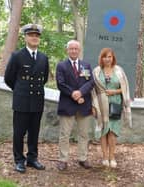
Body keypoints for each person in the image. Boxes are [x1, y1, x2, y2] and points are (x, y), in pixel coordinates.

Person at [4, 23, 49, 173]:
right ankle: (19, 160)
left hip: (37, 100)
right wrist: (20, 91)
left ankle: (32, 158)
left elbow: (44, 79)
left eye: (37, 36)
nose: (34, 38)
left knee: (34, 132)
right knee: (19, 132)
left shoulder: (43, 57)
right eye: (31, 35)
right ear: (25, 38)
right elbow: (9, 78)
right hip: (22, 101)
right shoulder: (17, 56)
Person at [55, 40, 94, 171]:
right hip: (67, 104)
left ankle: (83, 158)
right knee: (64, 134)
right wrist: (73, 93)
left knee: (84, 134)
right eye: (71, 48)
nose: (74, 51)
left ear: (79, 50)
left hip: (84, 105)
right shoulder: (61, 66)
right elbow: (60, 84)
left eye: (76, 49)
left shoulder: (86, 65)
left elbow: (90, 82)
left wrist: (80, 92)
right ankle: (63, 160)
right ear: (67, 50)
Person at [92, 48, 132, 168]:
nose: (107, 59)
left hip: (115, 104)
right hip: (101, 104)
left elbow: (125, 88)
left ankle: (112, 157)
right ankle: (104, 157)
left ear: (113, 58)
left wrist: (114, 91)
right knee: (104, 131)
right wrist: (93, 106)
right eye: (105, 57)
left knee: (112, 131)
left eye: (110, 57)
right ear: (101, 58)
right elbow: (92, 90)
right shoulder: (97, 71)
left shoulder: (119, 71)